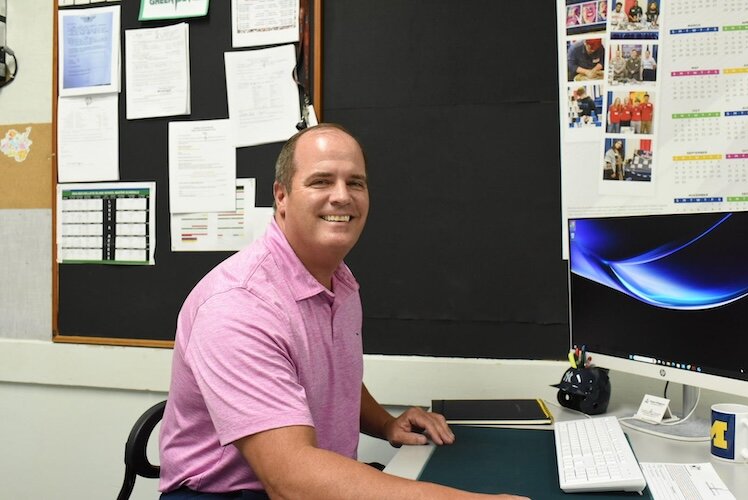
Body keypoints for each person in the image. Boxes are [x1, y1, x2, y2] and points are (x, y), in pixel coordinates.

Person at [158, 123, 528, 500]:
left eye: (356, 183)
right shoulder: (238, 305)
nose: (342, 197)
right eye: (321, 181)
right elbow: (291, 480)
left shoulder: (339, 281)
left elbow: (328, 375)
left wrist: (386, 423)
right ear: (281, 195)